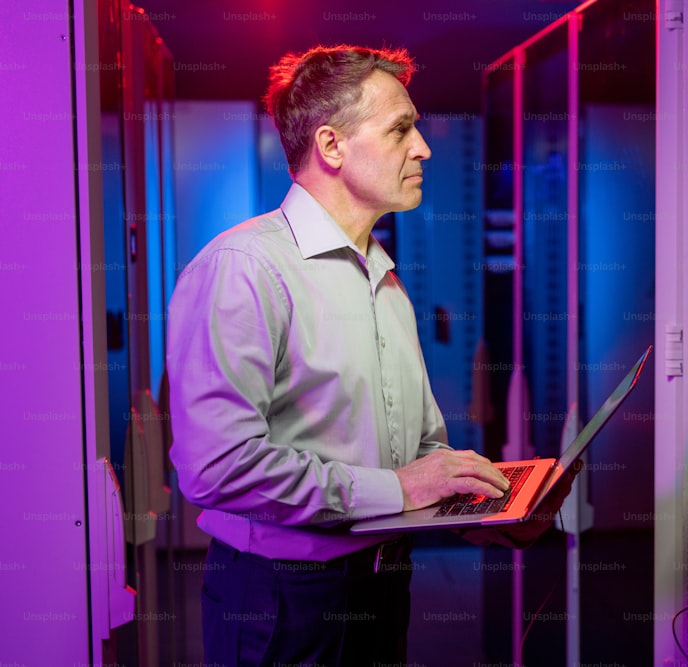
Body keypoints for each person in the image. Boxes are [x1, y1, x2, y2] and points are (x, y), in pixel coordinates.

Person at [166, 45, 518, 666]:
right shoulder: (244, 269)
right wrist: (399, 488)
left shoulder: (383, 278)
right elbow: (215, 467)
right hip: (282, 601)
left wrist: (477, 503)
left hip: (384, 587)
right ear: (331, 146)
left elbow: (418, 448)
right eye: (401, 129)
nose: (424, 148)